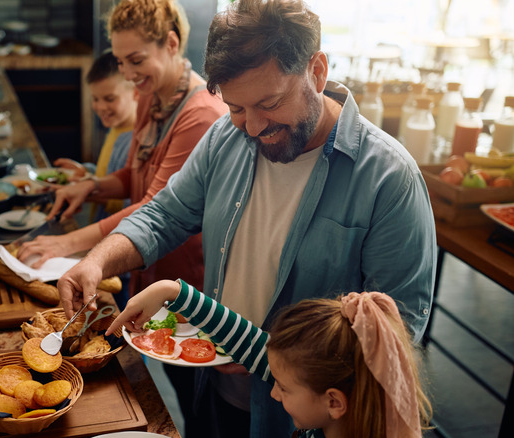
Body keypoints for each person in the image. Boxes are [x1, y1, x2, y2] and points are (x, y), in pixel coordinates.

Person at [55, 0, 436, 436]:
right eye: (236, 108)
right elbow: (164, 214)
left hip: (304, 421)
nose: (252, 128)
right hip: (213, 386)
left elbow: (394, 336)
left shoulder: (388, 178)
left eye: (269, 103)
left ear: (316, 70)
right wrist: (97, 261)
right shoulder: (225, 137)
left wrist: (258, 351)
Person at [17, 0, 228, 304]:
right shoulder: (149, 95)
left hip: (181, 282)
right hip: (141, 267)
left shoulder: (201, 115)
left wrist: (66, 243)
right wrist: (92, 187)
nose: (128, 74)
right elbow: (134, 174)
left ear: (171, 43)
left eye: (136, 60)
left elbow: (156, 206)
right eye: (120, 62)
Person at [105, 279, 433, 438]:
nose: (273, 392)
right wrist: (170, 292)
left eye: (283, 388)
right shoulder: (325, 394)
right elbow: (253, 344)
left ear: (334, 401)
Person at [51, 49, 137, 225]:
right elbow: (108, 171)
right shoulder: (115, 127)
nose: (101, 107)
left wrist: (87, 191)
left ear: (136, 91)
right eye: (95, 99)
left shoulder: (136, 139)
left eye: (110, 99)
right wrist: (86, 172)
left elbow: (132, 202)